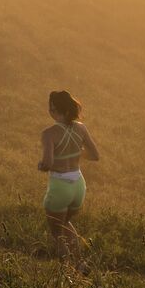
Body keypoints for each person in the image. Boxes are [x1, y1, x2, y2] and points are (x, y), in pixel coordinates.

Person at [38, 90, 100, 269]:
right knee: (65, 223)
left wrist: (41, 165)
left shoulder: (49, 134)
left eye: (52, 108)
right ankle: (80, 264)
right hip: (79, 185)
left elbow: (48, 163)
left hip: (60, 186)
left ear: (58, 111)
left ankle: (69, 272)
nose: (50, 111)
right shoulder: (81, 128)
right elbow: (95, 155)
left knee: (57, 233)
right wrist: (76, 152)